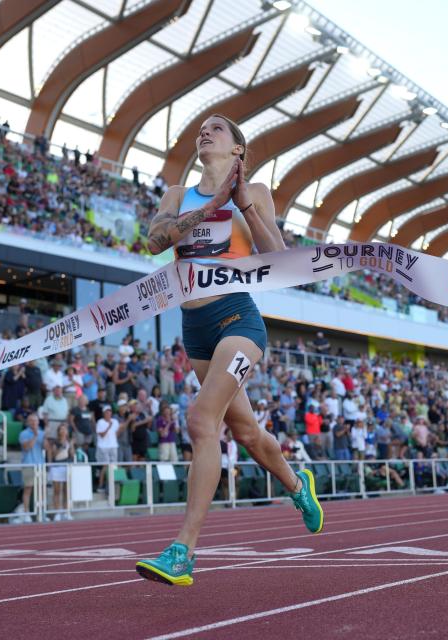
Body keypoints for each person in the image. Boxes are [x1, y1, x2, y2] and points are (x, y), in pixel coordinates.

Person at [136, 114, 322, 587]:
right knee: (247, 432)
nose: (205, 130)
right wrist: (211, 205)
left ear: (238, 149)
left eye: (217, 128)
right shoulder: (177, 196)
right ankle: (299, 487)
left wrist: (242, 206)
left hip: (239, 319)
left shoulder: (255, 191)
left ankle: (183, 551)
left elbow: (279, 260)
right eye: (202, 127)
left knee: (202, 421)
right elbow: (155, 242)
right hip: (194, 329)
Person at [15, 413, 44, 524]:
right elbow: (26, 447)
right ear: (27, 422)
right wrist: (35, 436)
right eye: (31, 420)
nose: (33, 423)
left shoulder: (42, 433)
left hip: (40, 464)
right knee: (28, 489)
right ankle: (26, 513)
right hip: (28, 464)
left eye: (35, 420)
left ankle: (41, 513)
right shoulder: (23, 434)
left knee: (41, 490)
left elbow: (46, 447)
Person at [46, 423, 74, 521]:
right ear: (58, 432)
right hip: (56, 467)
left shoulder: (69, 441)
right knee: (57, 491)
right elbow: (54, 455)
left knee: (66, 491)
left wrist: (71, 446)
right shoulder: (54, 442)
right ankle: (57, 512)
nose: (63, 431)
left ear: (67, 432)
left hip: (67, 467)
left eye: (64, 429)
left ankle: (66, 512)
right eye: (61, 429)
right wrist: (62, 446)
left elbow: (72, 455)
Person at [95, 405, 120, 492]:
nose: (109, 413)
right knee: (105, 466)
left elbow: (116, 433)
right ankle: (100, 485)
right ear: (104, 413)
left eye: (110, 411)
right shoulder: (100, 422)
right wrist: (108, 427)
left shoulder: (115, 421)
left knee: (114, 466)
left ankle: (111, 486)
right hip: (103, 447)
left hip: (113, 446)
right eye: (107, 411)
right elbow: (102, 435)